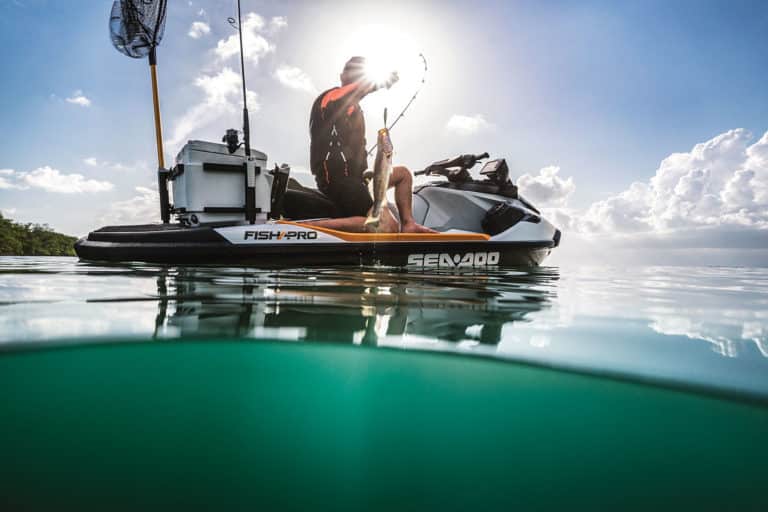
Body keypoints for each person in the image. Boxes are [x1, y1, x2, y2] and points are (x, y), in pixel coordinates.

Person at [308, 56, 435, 233]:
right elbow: (352, 92)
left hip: (359, 178)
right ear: (342, 76)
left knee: (403, 174)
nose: (354, 76)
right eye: (351, 71)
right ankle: (308, 228)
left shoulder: (355, 111)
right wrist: (379, 81)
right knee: (387, 226)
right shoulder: (329, 97)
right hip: (337, 179)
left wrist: (376, 158)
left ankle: (409, 225)